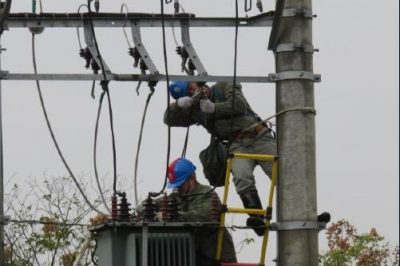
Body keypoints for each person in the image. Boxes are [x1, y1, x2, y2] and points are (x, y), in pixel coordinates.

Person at [164, 81, 277, 236]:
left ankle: (303, 212)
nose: (193, 91)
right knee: (242, 177)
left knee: (281, 174)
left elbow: (239, 105)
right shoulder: (197, 111)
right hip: (236, 144)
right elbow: (168, 119)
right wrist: (178, 105)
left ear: (197, 82)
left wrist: (214, 108)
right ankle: (257, 218)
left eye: (191, 87)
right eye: (188, 93)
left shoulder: (223, 87)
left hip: (259, 136)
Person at [166, 158, 237, 265]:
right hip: (196, 256)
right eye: (175, 186)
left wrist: (174, 216)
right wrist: (145, 207)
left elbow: (201, 215)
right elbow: (160, 202)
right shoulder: (178, 196)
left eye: (180, 185)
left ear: (192, 178)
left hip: (216, 257)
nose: (178, 189)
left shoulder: (207, 194)